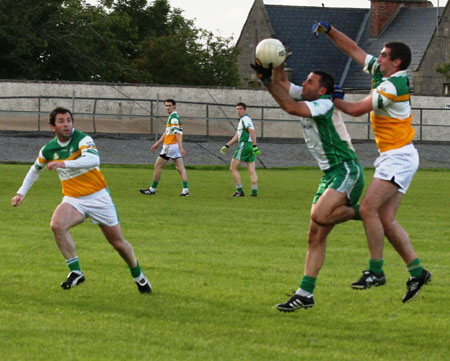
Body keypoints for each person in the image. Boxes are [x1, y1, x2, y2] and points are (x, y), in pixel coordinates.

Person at [313, 21, 431, 303]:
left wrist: (332, 97)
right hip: (396, 155)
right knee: (385, 219)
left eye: (383, 55)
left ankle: (376, 271)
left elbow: (354, 110)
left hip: (399, 156)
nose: (377, 58)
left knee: (367, 209)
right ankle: (418, 272)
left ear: (396, 62)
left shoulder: (394, 85)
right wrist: (330, 31)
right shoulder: (382, 72)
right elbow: (353, 49)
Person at [251, 58, 364, 312]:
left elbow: (290, 107)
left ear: (322, 89)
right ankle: (305, 294)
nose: (303, 83)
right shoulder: (311, 96)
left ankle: (369, 212)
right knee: (314, 236)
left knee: (320, 215)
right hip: (329, 174)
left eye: (309, 81)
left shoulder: (323, 103)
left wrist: (266, 81)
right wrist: (277, 61)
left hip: (346, 168)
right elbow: (283, 83)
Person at [11, 107, 152, 293]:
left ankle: (139, 277)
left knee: (118, 243)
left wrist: (64, 163)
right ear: (52, 127)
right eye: (61, 121)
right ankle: (76, 272)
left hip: (98, 197)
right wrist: (21, 192)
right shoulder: (49, 149)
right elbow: (35, 169)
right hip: (73, 199)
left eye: (68, 120)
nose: (66, 124)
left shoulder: (83, 139)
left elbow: (93, 161)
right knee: (57, 225)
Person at [140, 98, 189, 196]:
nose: (167, 107)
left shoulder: (174, 118)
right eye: (166, 106)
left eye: (169, 105)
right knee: (180, 168)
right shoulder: (173, 116)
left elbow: (177, 133)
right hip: (173, 146)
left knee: (158, 166)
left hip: (170, 146)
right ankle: (185, 191)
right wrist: (157, 143)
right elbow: (167, 132)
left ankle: (152, 189)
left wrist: (181, 147)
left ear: (174, 106)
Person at [220, 102, 261, 197]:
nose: (238, 111)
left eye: (240, 109)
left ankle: (239, 191)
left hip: (245, 145)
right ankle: (254, 192)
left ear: (245, 110)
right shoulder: (244, 120)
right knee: (251, 170)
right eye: (237, 109)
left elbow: (253, 132)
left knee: (233, 168)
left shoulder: (245, 119)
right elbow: (237, 136)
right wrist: (227, 145)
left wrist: (255, 146)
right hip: (250, 146)